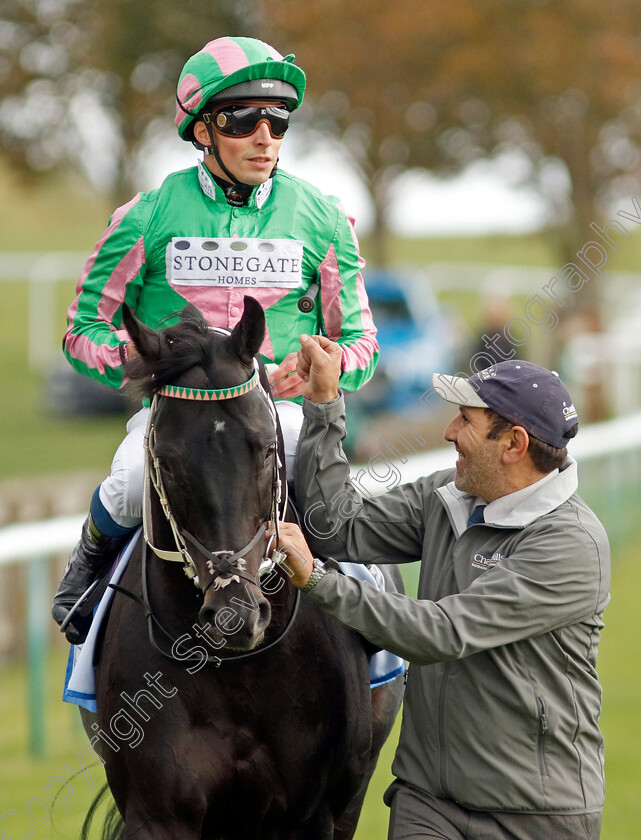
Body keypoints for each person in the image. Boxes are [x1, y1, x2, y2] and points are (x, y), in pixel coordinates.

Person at [52, 36, 379, 644]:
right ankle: (86, 578)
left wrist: (322, 370)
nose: (265, 137)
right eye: (243, 120)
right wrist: (146, 363)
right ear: (203, 130)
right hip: (178, 411)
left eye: (278, 121)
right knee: (127, 479)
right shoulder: (145, 217)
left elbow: (359, 341)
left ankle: (378, 624)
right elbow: (81, 330)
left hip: (279, 410)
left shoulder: (324, 219)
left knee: (332, 498)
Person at [271, 338, 610, 840]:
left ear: (514, 444)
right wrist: (324, 403)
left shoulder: (572, 545)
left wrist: (319, 581)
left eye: (466, 421)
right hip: (426, 801)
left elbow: (439, 633)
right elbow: (335, 527)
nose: (450, 431)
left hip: (538, 815)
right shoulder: (446, 496)